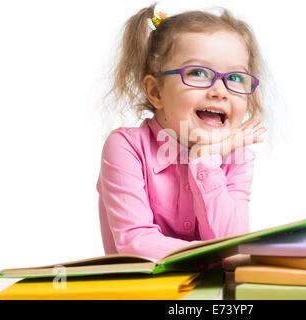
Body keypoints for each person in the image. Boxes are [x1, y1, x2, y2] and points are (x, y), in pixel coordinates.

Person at [96, 2, 269, 260]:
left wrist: (205, 160)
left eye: (234, 78)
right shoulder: (125, 147)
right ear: (156, 92)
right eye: (198, 73)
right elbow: (136, 244)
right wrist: (215, 258)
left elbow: (233, 243)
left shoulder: (238, 157)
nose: (219, 92)